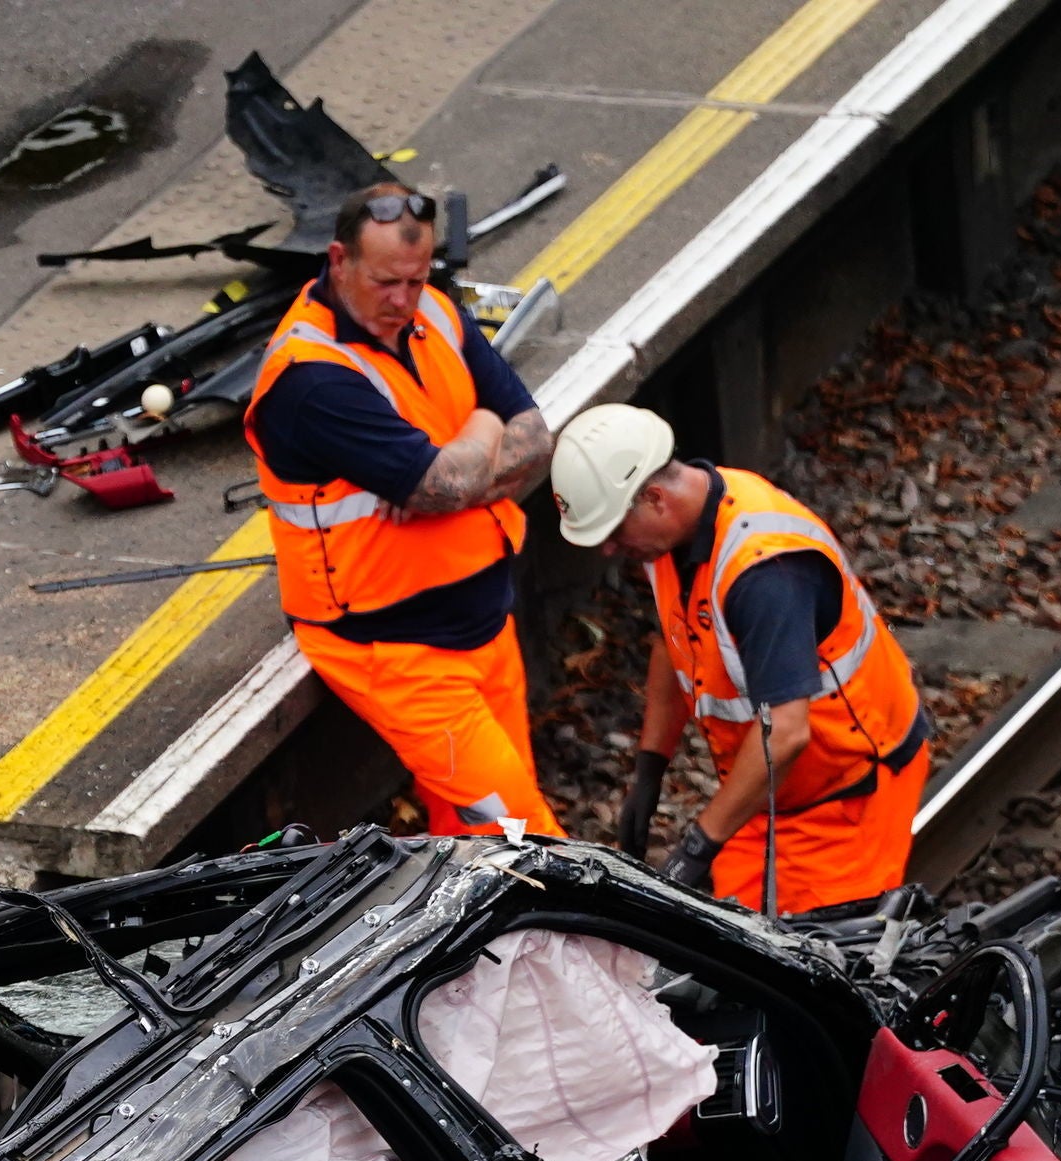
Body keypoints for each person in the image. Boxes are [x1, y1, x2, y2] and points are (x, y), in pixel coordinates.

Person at [244, 181, 561, 838]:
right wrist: (481, 427)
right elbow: (439, 486)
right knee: (527, 845)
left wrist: (459, 470)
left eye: (416, 281)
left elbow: (536, 437)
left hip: (484, 628)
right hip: (402, 658)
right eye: (387, 282)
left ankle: (475, 945)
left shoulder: (436, 314)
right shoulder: (313, 378)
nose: (403, 301)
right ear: (339, 261)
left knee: (475, 845)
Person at [548, 404, 927, 914]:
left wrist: (697, 845)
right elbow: (673, 637)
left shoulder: (764, 573)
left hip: (843, 796)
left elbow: (788, 732)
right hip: (765, 788)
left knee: (832, 971)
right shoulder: (675, 533)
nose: (611, 550)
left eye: (613, 532)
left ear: (655, 498)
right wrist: (649, 769)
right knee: (739, 953)